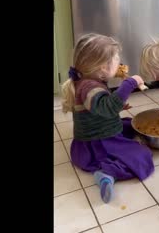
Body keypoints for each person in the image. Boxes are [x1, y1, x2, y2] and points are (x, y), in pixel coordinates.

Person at [61, 33, 154, 203]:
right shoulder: (89, 87)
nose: (120, 63)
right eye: (116, 60)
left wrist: (117, 105)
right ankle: (107, 173)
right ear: (103, 67)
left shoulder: (86, 80)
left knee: (130, 124)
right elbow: (109, 107)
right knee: (142, 156)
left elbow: (101, 107)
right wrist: (131, 82)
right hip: (99, 142)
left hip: (95, 133)